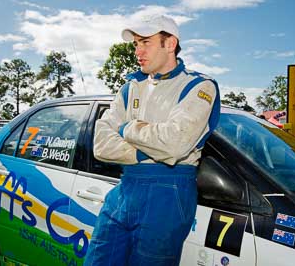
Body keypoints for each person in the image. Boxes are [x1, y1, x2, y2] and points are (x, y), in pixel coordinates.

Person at [84, 15, 220, 266]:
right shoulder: (131, 87)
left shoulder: (199, 86)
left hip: (168, 193)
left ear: (170, 44)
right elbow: (101, 144)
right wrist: (145, 150)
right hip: (125, 188)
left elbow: (175, 144)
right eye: (136, 43)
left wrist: (126, 128)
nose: (138, 50)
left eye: (145, 42)